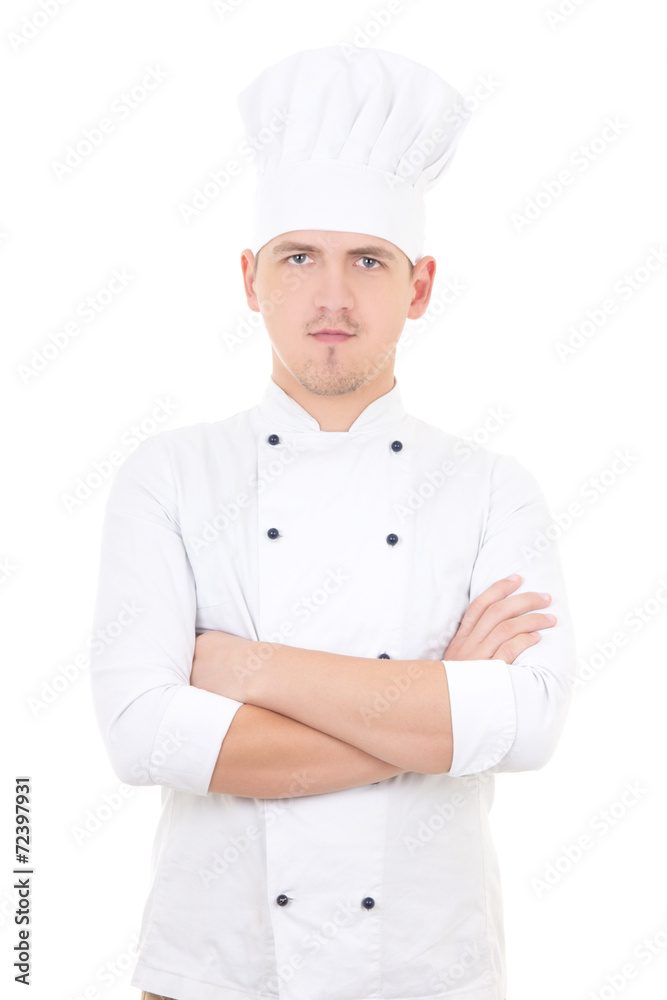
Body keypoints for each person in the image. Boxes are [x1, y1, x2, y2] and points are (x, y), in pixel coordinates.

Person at [89, 46, 576, 1000]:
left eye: (368, 260)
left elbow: (528, 724)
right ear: (249, 277)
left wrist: (246, 670)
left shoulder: (491, 487)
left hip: (428, 975)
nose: (331, 299)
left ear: (420, 286)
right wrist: (435, 712)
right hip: (209, 977)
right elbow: (142, 735)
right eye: (298, 257)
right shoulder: (168, 476)